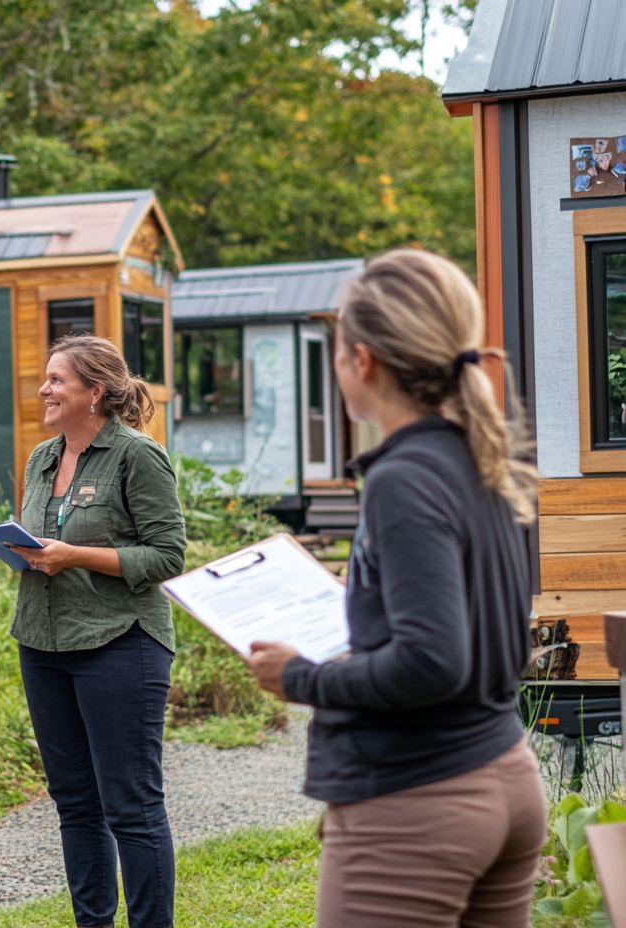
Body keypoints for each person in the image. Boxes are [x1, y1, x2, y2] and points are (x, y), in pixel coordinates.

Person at [248, 249, 546, 928]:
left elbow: (433, 661)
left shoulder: (401, 478)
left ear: (364, 361)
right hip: (504, 773)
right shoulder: (479, 456)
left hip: (421, 803)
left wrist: (300, 677)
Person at [7, 334, 186, 928]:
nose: (44, 388)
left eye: (58, 379)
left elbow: (167, 556)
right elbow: (43, 539)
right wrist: (15, 549)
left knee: (130, 806)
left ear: (95, 393)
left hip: (120, 642)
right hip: (43, 642)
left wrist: (74, 556)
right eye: (47, 377)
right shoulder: (41, 458)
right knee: (75, 805)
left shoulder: (137, 455)